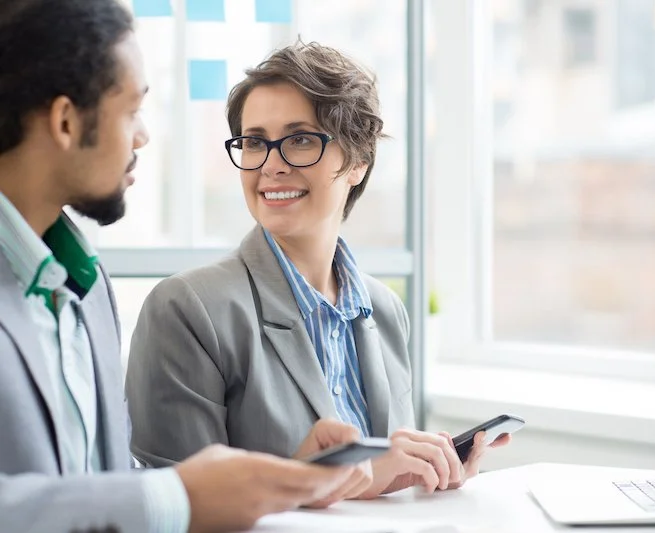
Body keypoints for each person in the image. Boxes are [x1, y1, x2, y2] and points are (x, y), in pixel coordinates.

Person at [0, 2, 371, 532]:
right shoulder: (184, 305)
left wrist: (288, 477)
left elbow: (101, 490)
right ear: (65, 121)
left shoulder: (84, 285)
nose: (143, 136)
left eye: (300, 140)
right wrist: (176, 496)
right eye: (131, 110)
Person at [125, 41, 510, 499]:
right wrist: (312, 482)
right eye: (253, 142)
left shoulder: (385, 311)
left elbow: (378, 487)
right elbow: (174, 506)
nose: (271, 164)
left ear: (358, 161)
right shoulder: (187, 309)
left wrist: (422, 472)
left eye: (300, 139)